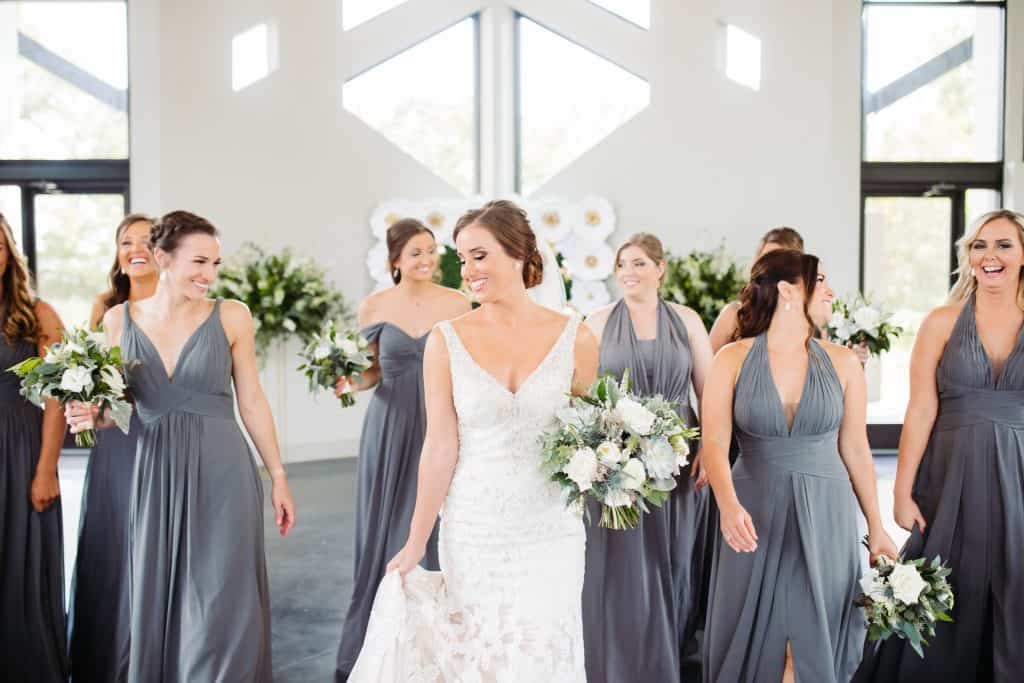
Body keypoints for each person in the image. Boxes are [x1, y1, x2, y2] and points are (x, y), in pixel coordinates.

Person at [346, 199, 599, 682]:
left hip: (551, 530)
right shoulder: (446, 340)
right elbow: (440, 446)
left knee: (544, 648)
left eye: (479, 256)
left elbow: (588, 436)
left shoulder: (577, 338)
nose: (467, 271)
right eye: (461, 259)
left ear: (519, 253)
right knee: (479, 657)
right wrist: (417, 540)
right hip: (473, 527)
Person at [66, 210, 296, 682]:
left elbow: (251, 400)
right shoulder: (117, 321)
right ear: (161, 257)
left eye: (215, 263)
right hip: (153, 472)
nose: (209, 275)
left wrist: (278, 475)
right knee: (156, 592)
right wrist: (93, 415)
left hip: (222, 470)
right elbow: (119, 408)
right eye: (198, 262)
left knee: (221, 598)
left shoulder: (232, 316)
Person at [701, 248, 897, 682]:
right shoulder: (731, 359)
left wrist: (877, 527)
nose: (830, 289)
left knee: (809, 642)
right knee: (754, 636)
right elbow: (714, 443)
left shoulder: (844, 362)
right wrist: (729, 506)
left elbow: (857, 450)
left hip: (826, 513)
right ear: (789, 291)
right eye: (820, 279)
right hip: (753, 512)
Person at [855, 209, 1024, 682]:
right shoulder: (942, 322)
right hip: (951, 477)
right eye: (980, 245)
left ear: (1023, 254)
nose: (990, 255)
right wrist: (900, 490)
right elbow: (921, 409)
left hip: (1020, 473)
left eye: (1004, 245)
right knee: (947, 586)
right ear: (968, 256)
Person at [334, 219, 470, 680]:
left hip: (442, 422)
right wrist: (348, 382)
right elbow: (372, 372)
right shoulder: (374, 306)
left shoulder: (459, 303)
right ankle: (377, 641)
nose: (427, 260)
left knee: (436, 522)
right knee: (384, 526)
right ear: (395, 260)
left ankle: (439, 648)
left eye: (431, 251)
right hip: (389, 426)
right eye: (415, 252)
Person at [582, 232, 714, 682]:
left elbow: (710, 392)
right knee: (621, 563)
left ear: (660, 269)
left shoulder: (687, 321)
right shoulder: (596, 322)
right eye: (622, 264)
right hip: (617, 460)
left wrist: (712, 452)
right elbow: (580, 395)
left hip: (677, 460)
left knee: (674, 559)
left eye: (639, 263)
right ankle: (622, 661)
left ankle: (670, 657)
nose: (629, 273)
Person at [69, 213, 157, 683]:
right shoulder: (106, 307)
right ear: (118, 253)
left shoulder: (180, 304)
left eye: (146, 240)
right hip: (118, 441)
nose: (135, 248)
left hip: (164, 437)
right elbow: (95, 377)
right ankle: (114, 657)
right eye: (127, 241)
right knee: (119, 541)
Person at [0, 212, 68, 682]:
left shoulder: (37, 314)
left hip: (19, 449)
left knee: (20, 561)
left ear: (9, 255)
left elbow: (58, 398)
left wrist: (46, 467)